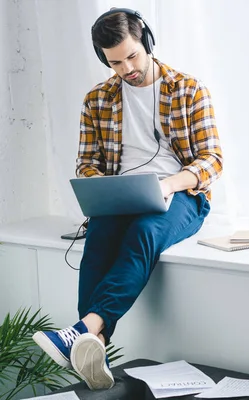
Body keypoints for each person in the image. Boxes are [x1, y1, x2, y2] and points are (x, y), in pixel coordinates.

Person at [32, 8, 223, 390]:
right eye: (115, 61)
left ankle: (84, 330)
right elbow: (86, 163)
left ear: (147, 42)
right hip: (122, 195)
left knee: (144, 231)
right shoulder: (98, 99)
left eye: (132, 56)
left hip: (182, 193)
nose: (127, 68)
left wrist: (168, 184)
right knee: (100, 234)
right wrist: (103, 187)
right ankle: (95, 341)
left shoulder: (188, 89)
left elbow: (212, 160)